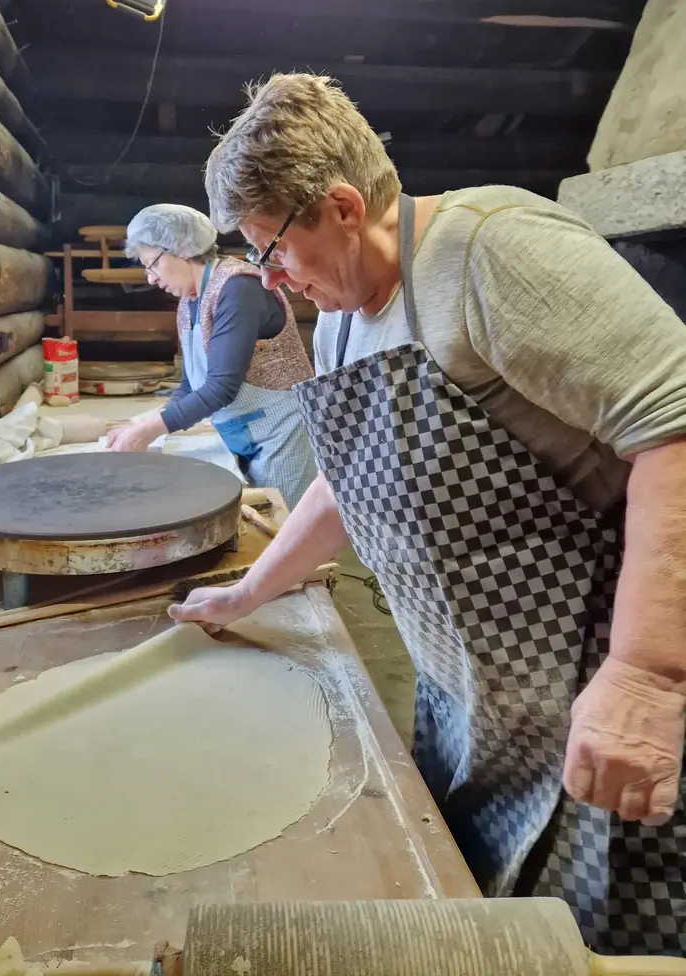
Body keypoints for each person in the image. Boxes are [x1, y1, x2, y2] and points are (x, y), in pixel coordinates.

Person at [170, 74, 686, 957]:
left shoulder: (489, 252)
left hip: (588, 690)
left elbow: (675, 425)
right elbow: (345, 481)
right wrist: (247, 593)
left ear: (339, 206)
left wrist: (647, 674)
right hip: (475, 697)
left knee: (591, 939)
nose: (275, 280)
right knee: (486, 911)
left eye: (274, 251)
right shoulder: (343, 316)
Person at [105, 203, 317, 509]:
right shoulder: (189, 300)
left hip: (283, 437)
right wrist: (143, 425)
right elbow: (190, 386)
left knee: (287, 535)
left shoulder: (238, 287)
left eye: (151, 264)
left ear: (179, 247)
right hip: (243, 437)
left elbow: (221, 387)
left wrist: (151, 429)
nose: (149, 278)